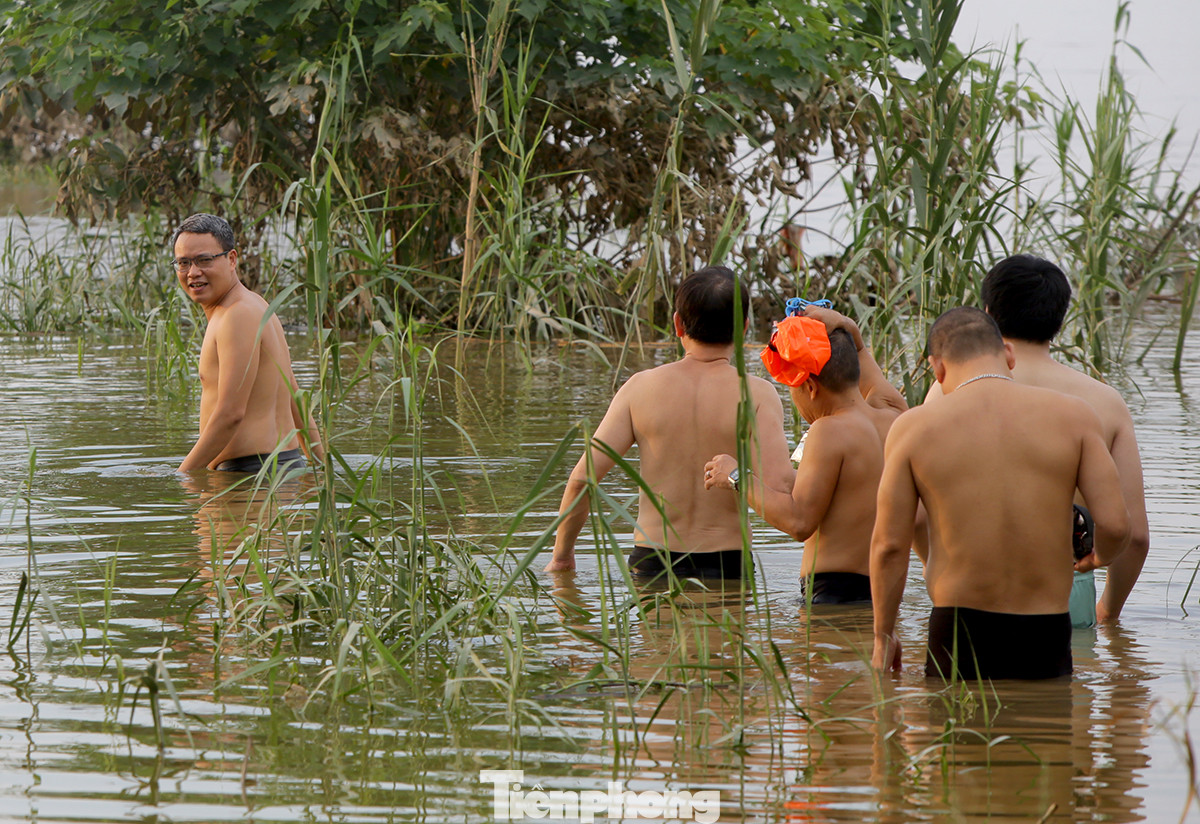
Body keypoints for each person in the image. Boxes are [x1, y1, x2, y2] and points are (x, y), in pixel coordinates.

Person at [872, 307, 1129, 680]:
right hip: (1045, 629)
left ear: (937, 368)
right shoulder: (1076, 417)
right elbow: (1117, 526)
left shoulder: (912, 428)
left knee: (952, 730)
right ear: (1008, 355)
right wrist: (1097, 557)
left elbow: (889, 546)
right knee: (1044, 732)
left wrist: (884, 635)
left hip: (957, 627)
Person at [544, 265, 794, 579]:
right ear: (744, 328)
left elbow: (582, 480)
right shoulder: (758, 394)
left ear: (677, 324)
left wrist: (562, 557)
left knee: (656, 629)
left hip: (652, 560)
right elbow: (782, 487)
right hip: (727, 564)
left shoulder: (639, 388)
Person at [981, 254, 1150, 624]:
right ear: (1059, 318)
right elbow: (1134, 536)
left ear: (988, 313)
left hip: (970, 588)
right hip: (1064, 588)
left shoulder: (951, 390)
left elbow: (918, 517)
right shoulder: (1104, 403)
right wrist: (1107, 610)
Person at [705, 306, 906, 604]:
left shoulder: (828, 431)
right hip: (884, 590)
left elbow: (799, 522)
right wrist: (847, 327)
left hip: (832, 592)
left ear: (810, 387)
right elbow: (863, 357)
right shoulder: (894, 415)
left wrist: (736, 476)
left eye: (793, 391)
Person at [172, 213, 323, 473]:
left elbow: (230, 414)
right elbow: (294, 396)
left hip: (248, 477)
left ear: (231, 259)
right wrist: (323, 466)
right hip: (279, 470)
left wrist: (182, 475)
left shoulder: (236, 316)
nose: (193, 272)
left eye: (204, 260)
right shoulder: (257, 305)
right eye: (183, 263)